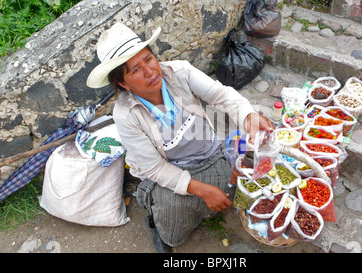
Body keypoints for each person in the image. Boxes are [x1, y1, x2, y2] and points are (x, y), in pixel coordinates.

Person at [86, 23, 273, 252]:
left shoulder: (179, 72)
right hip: (171, 171)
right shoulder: (126, 115)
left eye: (148, 59)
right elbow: (155, 169)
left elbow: (220, 95)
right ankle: (158, 220)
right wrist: (202, 190)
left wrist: (248, 116)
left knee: (245, 184)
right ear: (123, 84)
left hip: (210, 156)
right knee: (175, 218)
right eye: (135, 70)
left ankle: (204, 203)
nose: (150, 71)